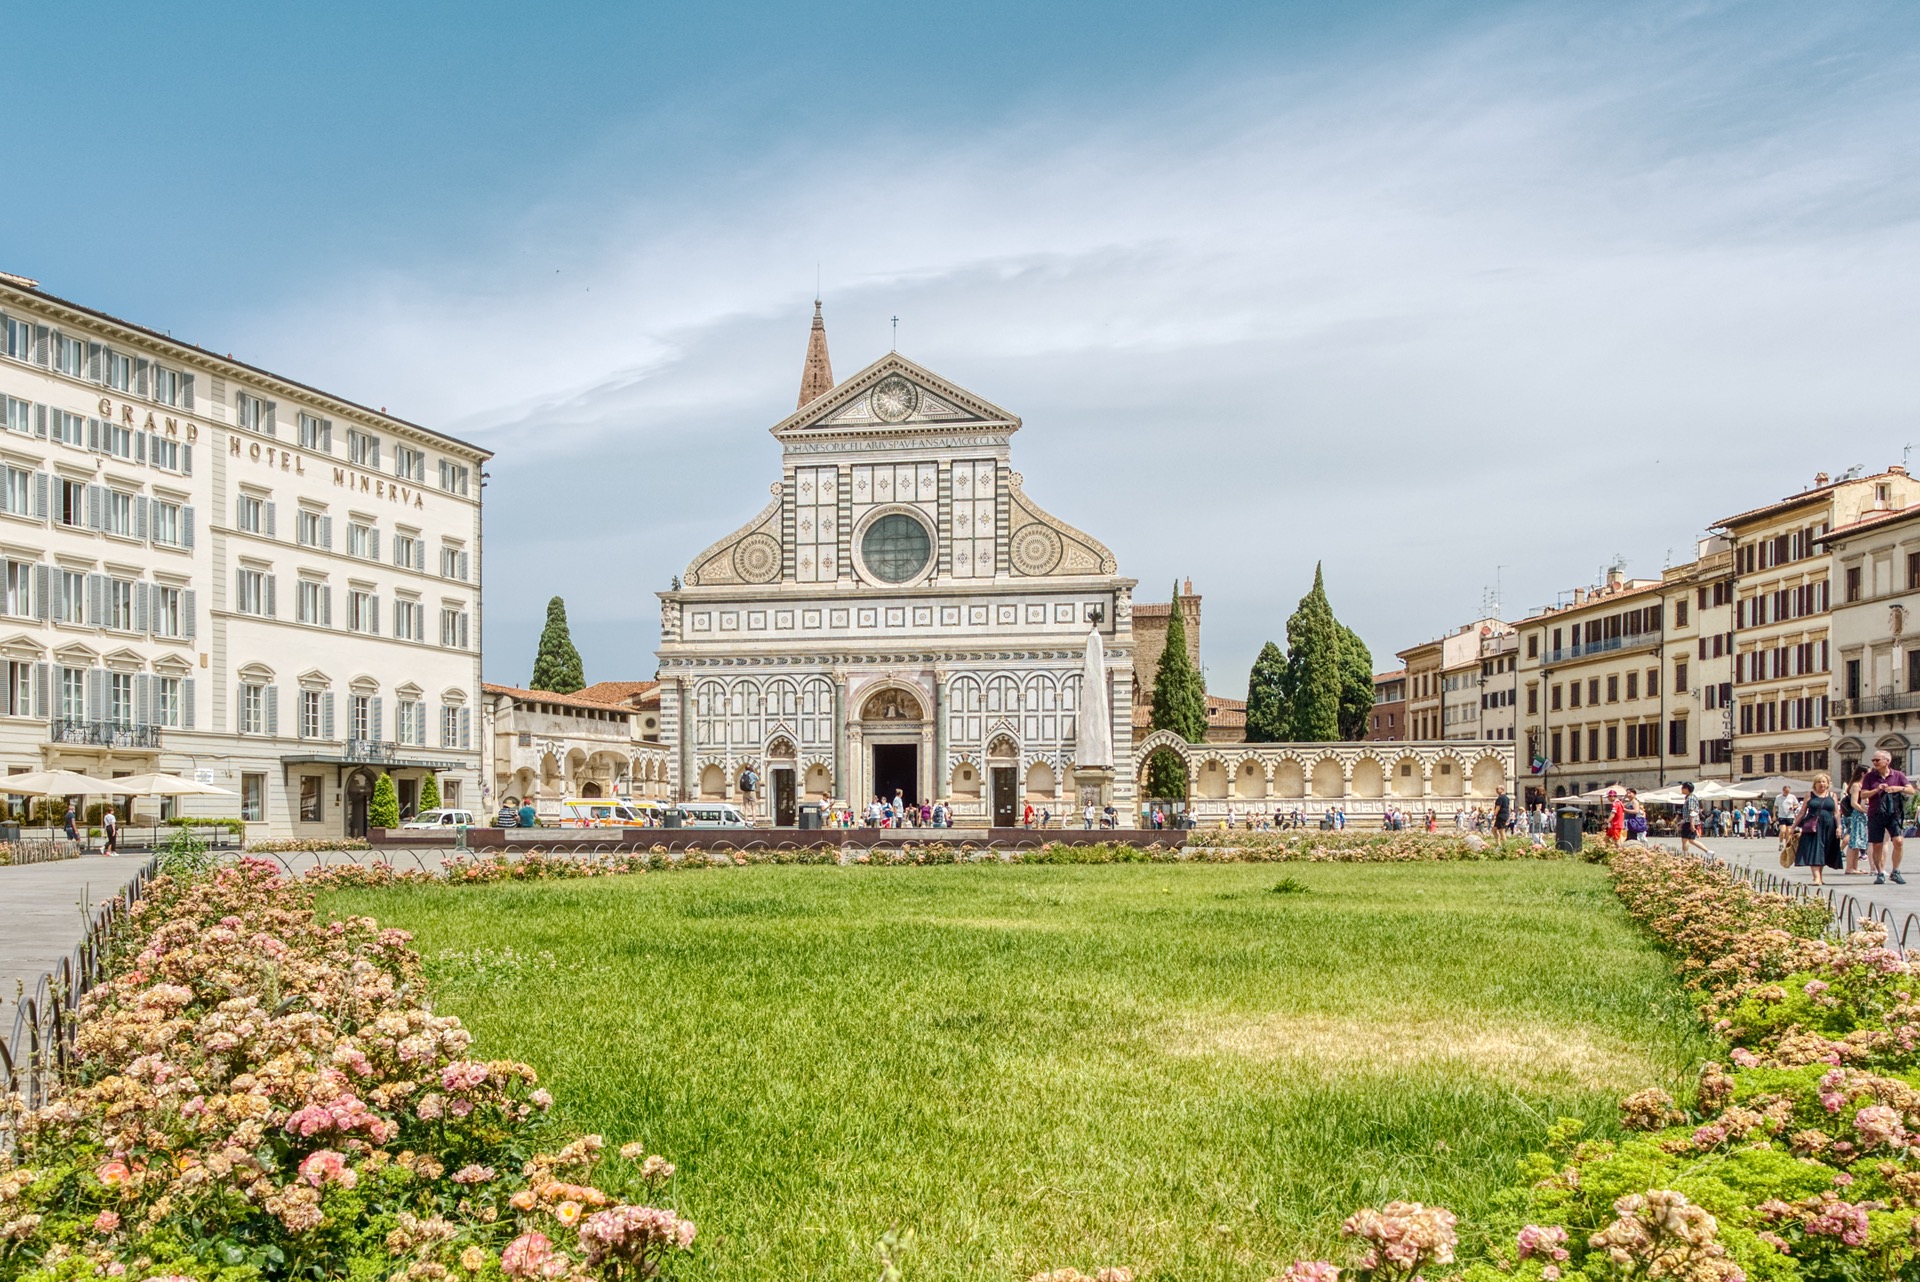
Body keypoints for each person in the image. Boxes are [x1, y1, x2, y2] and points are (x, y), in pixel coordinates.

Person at [1862, 749, 1914, 884]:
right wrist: (1877, 789)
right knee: (1877, 844)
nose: (1874, 763)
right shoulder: (1870, 777)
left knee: (1899, 841)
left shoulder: (1898, 775)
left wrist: (1898, 788)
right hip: (1875, 813)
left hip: (1894, 813)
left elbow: (1911, 790)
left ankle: (1895, 871)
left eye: (1877, 760)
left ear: (1887, 761)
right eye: (1873, 760)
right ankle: (1879, 872)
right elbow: (1863, 795)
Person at [1793, 773, 1843, 886]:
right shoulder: (1809, 795)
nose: (1822, 784)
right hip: (1813, 826)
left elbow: (1836, 813)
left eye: (1824, 782)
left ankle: (1820, 877)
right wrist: (1793, 826)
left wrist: (1839, 826)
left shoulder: (1832, 795)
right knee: (1815, 850)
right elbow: (1802, 812)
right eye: (1819, 782)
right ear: (1814, 784)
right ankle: (1816, 878)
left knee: (1824, 851)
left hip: (1829, 826)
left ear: (1828, 783)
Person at [1842, 767, 1869, 877]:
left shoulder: (1861, 785)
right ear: (1863, 774)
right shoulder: (1856, 785)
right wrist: (1865, 811)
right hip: (1855, 815)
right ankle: (1849, 867)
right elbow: (1854, 803)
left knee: (1857, 842)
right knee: (1853, 841)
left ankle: (1855, 867)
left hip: (1860, 815)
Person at [1677, 782, 1710, 858]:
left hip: (1690, 822)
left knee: (1685, 839)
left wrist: (1692, 824)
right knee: (1691, 840)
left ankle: (1684, 856)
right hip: (1688, 821)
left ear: (1686, 789)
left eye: (1682, 788)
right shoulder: (1690, 797)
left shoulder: (1691, 798)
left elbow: (1692, 811)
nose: (1681, 789)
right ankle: (1708, 851)